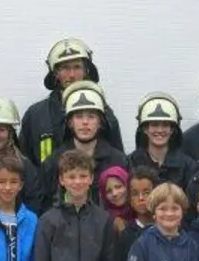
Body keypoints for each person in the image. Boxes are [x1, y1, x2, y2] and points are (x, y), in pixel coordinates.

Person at [19, 38, 124, 166]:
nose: (72, 75)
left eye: (77, 67)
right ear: (56, 73)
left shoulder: (105, 114)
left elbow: (118, 165)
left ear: (86, 71)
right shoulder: (36, 115)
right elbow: (23, 165)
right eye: (65, 68)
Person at [38, 81, 128, 212]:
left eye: (91, 117)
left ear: (100, 123)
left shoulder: (118, 161)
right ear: (70, 123)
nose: (85, 122)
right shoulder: (53, 162)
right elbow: (44, 206)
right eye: (79, 117)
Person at [127, 92, 195, 188]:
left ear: (172, 130)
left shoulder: (188, 165)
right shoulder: (130, 162)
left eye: (165, 125)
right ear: (145, 129)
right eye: (154, 125)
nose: (160, 130)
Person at [100, 165, 134, 234]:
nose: (114, 193)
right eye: (108, 191)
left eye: (118, 187)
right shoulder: (104, 222)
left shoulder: (142, 210)